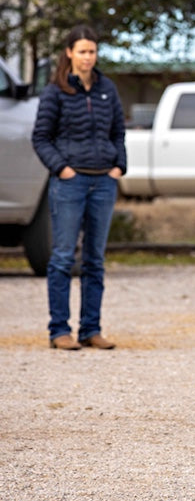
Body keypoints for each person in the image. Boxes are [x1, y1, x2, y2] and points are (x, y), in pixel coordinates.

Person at [31, 24, 127, 351]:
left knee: (95, 260)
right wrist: (63, 169)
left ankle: (91, 329)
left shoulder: (107, 89)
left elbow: (118, 132)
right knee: (61, 257)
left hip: (104, 181)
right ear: (70, 53)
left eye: (93, 51)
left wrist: (119, 166)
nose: (88, 57)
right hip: (71, 183)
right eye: (83, 51)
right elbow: (40, 138)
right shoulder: (55, 92)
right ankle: (59, 330)